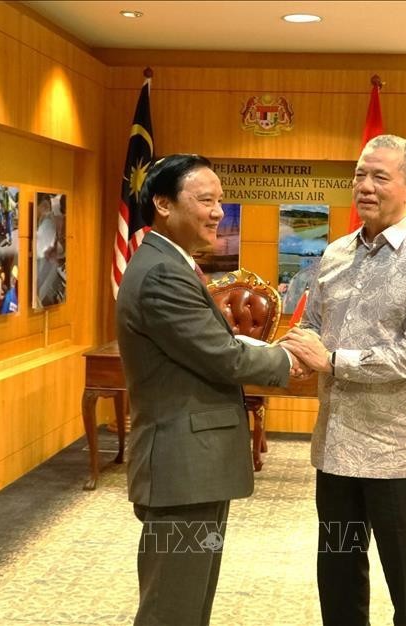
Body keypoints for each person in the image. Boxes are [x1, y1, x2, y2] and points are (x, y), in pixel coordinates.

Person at [116, 154, 303, 626]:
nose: (218, 211)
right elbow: (222, 357)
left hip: (196, 463)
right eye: (206, 200)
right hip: (182, 466)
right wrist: (287, 358)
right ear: (162, 202)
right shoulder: (162, 272)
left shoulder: (171, 263)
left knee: (190, 602)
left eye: (220, 200)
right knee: (171, 609)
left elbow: (212, 345)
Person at [280, 135, 406, 626]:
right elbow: (312, 327)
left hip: (397, 454)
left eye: (380, 176)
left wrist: (334, 361)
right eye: (360, 174)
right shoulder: (336, 253)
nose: (364, 186)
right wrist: (291, 354)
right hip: (335, 451)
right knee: (338, 574)